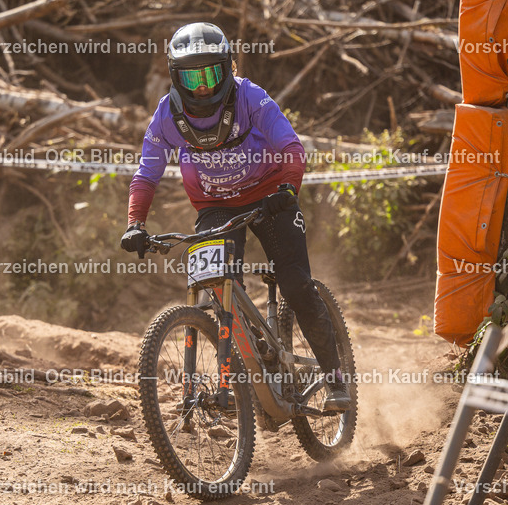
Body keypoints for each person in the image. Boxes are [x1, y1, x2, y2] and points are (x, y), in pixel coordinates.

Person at [119, 22, 352, 413]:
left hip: (270, 197)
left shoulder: (250, 97)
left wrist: (288, 189)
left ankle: (335, 379)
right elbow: (147, 174)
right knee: (218, 288)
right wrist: (135, 224)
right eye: (191, 78)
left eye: (210, 75)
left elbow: (291, 147)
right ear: (176, 77)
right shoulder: (166, 115)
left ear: (227, 68)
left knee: (296, 284)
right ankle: (242, 372)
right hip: (215, 205)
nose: (202, 88)